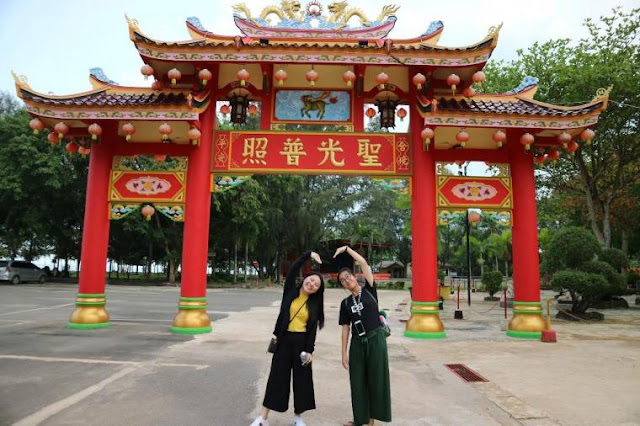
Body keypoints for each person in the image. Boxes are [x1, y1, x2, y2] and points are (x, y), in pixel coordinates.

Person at [250, 250, 325, 426]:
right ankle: (263, 418)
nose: (312, 284)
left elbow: (312, 331)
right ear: (305, 279)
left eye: (316, 285)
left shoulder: (314, 305)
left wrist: (309, 351)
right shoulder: (290, 292)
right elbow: (293, 270)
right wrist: (308, 255)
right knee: (276, 378)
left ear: (318, 290)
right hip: (284, 341)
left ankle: (298, 417)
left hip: (301, 344)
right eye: (311, 280)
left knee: (302, 381)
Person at [335, 245, 391, 426]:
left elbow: (364, 263)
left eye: (348, 276)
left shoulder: (369, 289)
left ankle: (372, 420)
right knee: (358, 382)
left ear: (354, 276)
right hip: (357, 343)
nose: (346, 280)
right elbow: (345, 328)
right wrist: (343, 353)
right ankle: (361, 419)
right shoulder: (345, 304)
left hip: (376, 339)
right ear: (342, 286)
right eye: (343, 280)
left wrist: (346, 249)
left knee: (376, 379)